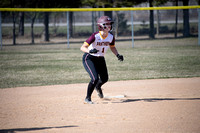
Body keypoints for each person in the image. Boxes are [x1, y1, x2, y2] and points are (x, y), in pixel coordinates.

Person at [80, 16, 124, 104]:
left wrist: (117, 55)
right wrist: (90, 50)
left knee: (104, 78)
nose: (109, 26)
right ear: (101, 26)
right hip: (89, 58)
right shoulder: (95, 36)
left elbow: (112, 47)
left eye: (110, 24)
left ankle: (98, 87)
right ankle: (87, 98)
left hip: (100, 59)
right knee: (94, 78)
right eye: (107, 24)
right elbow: (82, 47)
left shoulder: (111, 36)